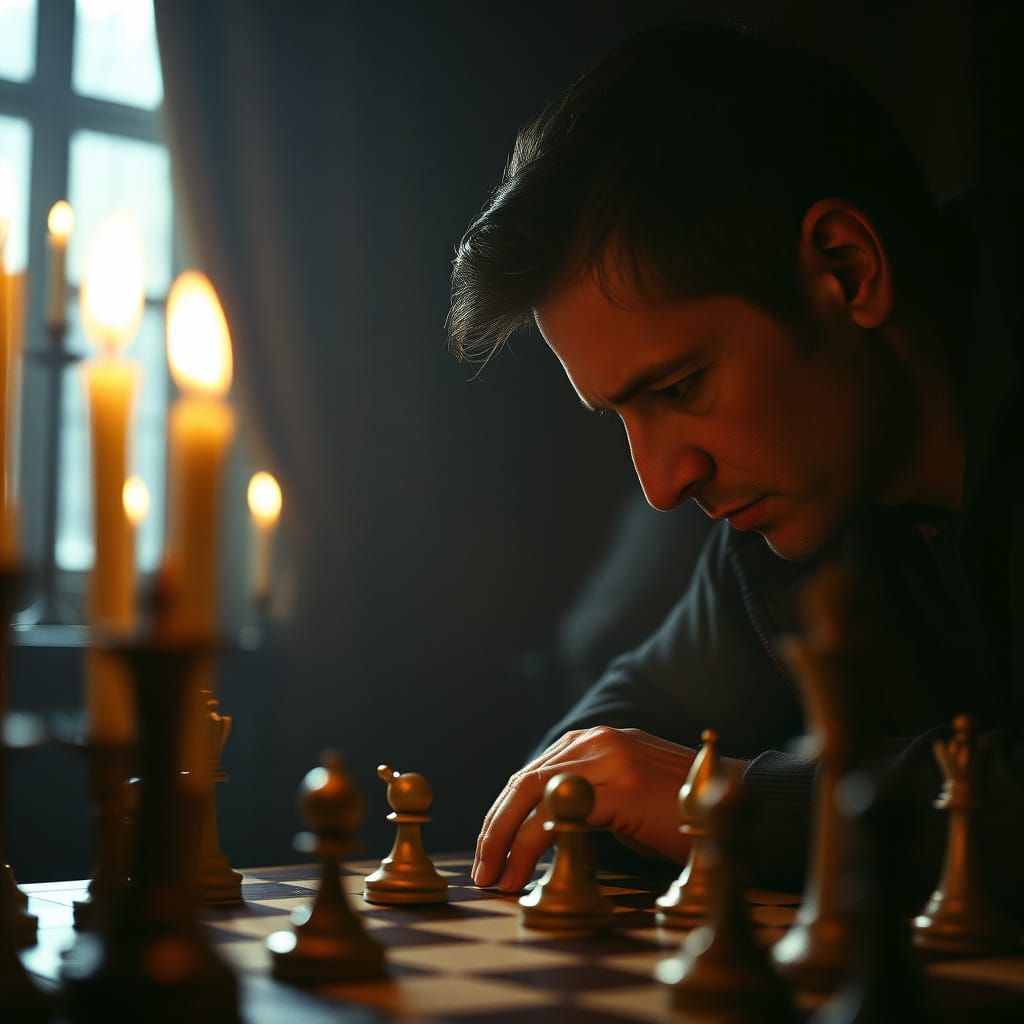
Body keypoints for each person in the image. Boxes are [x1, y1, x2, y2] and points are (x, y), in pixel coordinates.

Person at [447, 22, 1023, 908]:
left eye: (681, 386)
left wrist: (732, 804)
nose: (661, 484)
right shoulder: (810, 500)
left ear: (847, 270)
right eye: (620, 417)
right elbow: (612, 743)